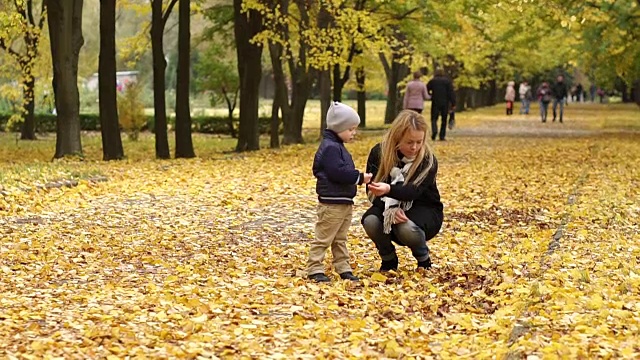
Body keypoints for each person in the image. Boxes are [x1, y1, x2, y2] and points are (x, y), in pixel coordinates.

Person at [361, 110, 443, 272]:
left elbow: (413, 192)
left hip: (424, 207)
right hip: (385, 204)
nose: (415, 147)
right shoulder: (379, 152)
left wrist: (389, 190)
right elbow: (371, 191)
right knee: (370, 221)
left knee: (405, 227)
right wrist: (389, 208)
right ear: (397, 138)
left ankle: (423, 259)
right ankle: (388, 259)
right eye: (409, 142)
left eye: (419, 142)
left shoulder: (427, 160)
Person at [307, 102, 372, 283]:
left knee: (340, 239)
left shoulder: (337, 147)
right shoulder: (330, 148)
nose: (353, 133)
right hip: (332, 202)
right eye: (350, 129)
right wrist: (359, 177)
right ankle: (314, 268)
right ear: (338, 128)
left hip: (343, 201)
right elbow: (337, 172)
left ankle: (343, 267)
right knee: (324, 238)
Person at [427, 69, 456, 141]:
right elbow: (451, 93)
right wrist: (453, 103)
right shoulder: (447, 82)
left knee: (434, 118)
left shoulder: (432, 81)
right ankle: (442, 135)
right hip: (445, 102)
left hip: (435, 102)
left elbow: (426, 89)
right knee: (444, 119)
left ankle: (434, 131)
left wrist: (430, 95)